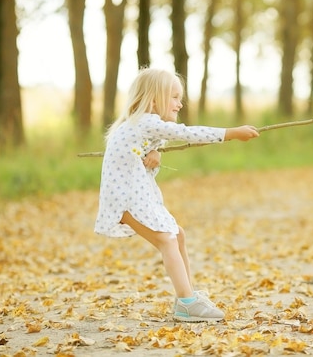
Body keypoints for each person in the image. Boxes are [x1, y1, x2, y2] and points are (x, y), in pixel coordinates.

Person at [95, 67, 259, 322]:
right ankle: (186, 303)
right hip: (125, 202)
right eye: (173, 97)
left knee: (177, 235)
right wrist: (230, 133)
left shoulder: (139, 126)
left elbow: (147, 146)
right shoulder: (146, 122)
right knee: (167, 241)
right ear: (153, 101)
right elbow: (186, 133)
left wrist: (156, 152)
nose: (179, 104)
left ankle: (188, 295)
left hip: (135, 198)